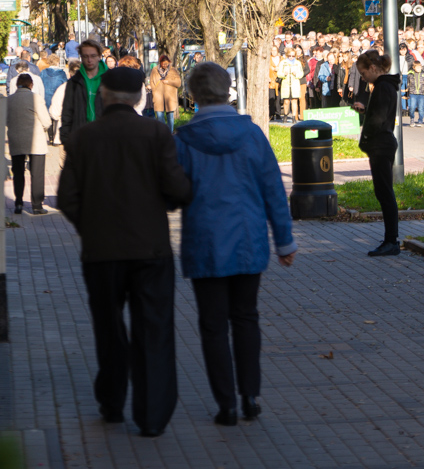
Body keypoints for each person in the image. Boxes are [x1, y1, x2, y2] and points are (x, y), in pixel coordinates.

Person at [57, 67, 192, 437]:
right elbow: (177, 188)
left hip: (101, 253)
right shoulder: (155, 132)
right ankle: (152, 416)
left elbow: (67, 196)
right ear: (139, 99)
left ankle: (112, 403)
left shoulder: (85, 137)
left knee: (109, 329)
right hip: (151, 250)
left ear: (103, 95)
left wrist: (92, 227)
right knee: (155, 330)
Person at [174, 62, 297, 426]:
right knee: (246, 318)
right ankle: (251, 395)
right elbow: (273, 189)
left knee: (212, 325)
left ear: (193, 96)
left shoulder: (182, 140)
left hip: (203, 241)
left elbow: (174, 192)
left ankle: (225, 403)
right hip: (248, 239)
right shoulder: (253, 135)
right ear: (229, 90)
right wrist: (285, 241)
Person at [352, 50, 400, 256]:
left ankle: (391, 240)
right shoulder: (385, 87)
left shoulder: (382, 87)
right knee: (384, 192)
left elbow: (379, 119)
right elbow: (379, 114)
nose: (363, 78)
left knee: (385, 193)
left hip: (381, 144)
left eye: (363, 74)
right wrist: (365, 112)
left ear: (373, 68)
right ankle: (391, 239)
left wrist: (368, 138)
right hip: (382, 143)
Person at [7, 74, 51, 215]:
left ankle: (18, 203)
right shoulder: (36, 98)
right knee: (37, 173)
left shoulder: (9, 100)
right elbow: (47, 121)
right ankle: (37, 205)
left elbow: (6, 120)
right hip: (36, 140)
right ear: (31, 85)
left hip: (16, 139)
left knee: (18, 173)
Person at [60, 39, 108, 146]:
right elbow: (67, 112)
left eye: (93, 56)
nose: (89, 60)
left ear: (99, 56)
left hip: (105, 139)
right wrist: (66, 139)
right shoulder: (74, 82)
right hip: (80, 139)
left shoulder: (110, 80)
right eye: (85, 56)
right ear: (81, 57)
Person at [149, 54, 181, 132]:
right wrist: (154, 90)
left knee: (170, 116)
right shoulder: (155, 70)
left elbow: (178, 83)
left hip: (170, 98)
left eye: (167, 63)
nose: (165, 65)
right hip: (158, 97)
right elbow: (152, 82)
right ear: (160, 63)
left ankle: (170, 133)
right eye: (163, 64)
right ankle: (164, 132)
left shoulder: (173, 70)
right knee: (159, 116)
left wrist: (168, 82)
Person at [277, 49, 304, 122]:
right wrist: (284, 74)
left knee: (294, 101)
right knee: (286, 101)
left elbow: (301, 74)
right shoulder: (283, 63)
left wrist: (296, 74)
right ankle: (285, 116)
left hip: (295, 84)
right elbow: (279, 73)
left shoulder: (297, 63)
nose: (291, 57)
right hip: (286, 84)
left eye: (293, 56)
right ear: (287, 55)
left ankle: (293, 117)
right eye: (290, 56)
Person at [405, 58, 424, 127]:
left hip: (421, 94)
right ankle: (412, 118)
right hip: (413, 93)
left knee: (421, 108)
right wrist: (408, 92)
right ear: (414, 67)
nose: (418, 68)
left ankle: (420, 120)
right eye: (417, 67)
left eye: (420, 67)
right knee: (412, 107)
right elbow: (408, 84)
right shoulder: (410, 75)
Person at [268, 45, 281, 119]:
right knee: (271, 98)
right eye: (272, 50)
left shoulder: (281, 59)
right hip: (271, 81)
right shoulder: (268, 59)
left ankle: (278, 114)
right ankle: (271, 114)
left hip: (279, 81)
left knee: (278, 98)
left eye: (275, 50)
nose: (273, 52)